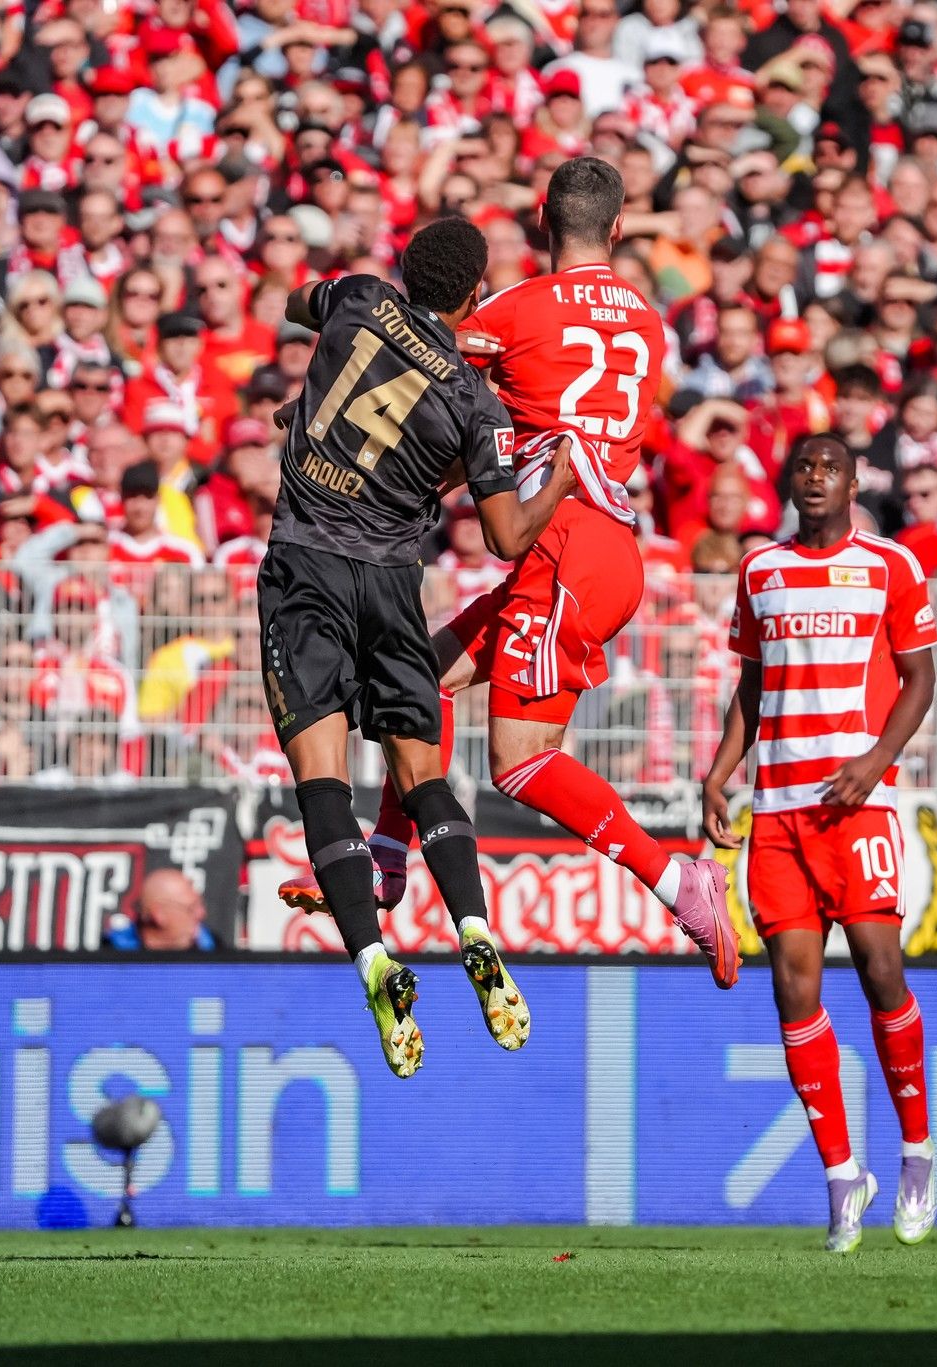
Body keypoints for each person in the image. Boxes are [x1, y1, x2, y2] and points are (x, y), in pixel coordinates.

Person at [277, 159, 739, 989]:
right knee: (420, 678)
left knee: (520, 760)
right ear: (622, 228)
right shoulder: (647, 319)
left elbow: (419, 363)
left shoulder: (517, 311)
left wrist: (321, 412)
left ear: (538, 220)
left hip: (562, 545)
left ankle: (679, 882)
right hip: (598, 546)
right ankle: (386, 857)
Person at [260, 217, 577, 1078]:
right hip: (394, 588)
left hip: (305, 569)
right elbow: (508, 536)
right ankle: (473, 927)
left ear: (404, 269)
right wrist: (563, 483)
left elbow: (297, 302)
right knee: (422, 774)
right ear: (476, 293)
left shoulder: (359, 301)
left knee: (322, 779)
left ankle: (372, 958)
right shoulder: (475, 402)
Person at [703, 433, 937, 1255]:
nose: (815, 477)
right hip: (779, 813)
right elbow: (754, 684)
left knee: (882, 968)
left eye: (829, 467)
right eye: (803, 466)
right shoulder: (760, 570)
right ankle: (843, 1180)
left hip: (857, 807)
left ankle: (916, 1155)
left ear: (852, 480)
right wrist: (718, 774)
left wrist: (875, 762)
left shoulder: (890, 566)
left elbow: (921, 678)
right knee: (794, 991)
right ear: (789, 481)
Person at [107, 868, 217, 951]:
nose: (201, 914)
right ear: (158, 914)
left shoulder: (216, 953)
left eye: (200, 905)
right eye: (191, 908)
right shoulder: (107, 960)